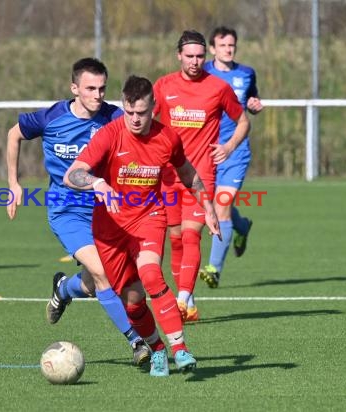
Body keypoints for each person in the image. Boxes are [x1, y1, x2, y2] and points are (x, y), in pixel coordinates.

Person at [63, 75, 221, 376]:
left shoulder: (167, 137)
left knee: (151, 274)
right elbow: (73, 174)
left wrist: (208, 206)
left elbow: (187, 173)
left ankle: (180, 349)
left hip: (148, 217)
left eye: (142, 113)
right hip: (109, 229)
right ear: (123, 106)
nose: (135, 119)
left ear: (153, 109)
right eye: (130, 112)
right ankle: (158, 348)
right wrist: (97, 182)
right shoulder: (109, 135)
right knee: (133, 303)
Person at [6, 57, 150, 366]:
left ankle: (64, 288)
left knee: (101, 277)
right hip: (67, 209)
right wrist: (13, 183)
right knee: (103, 274)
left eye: (102, 88)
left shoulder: (115, 117)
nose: (98, 95)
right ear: (75, 88)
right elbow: (13, 134)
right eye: (90, 89)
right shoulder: (51, 117)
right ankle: (136, 341)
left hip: (108, 211)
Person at [153, 30, 250, 320]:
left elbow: (242, 120)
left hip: (202, 176)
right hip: (168, 176)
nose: (195, 61)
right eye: (190, 56)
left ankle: (181, 301)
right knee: (176, 240)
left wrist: (229, 146)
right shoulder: (164, 86)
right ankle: (190, 302)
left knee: (192, 235)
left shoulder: (218, 87)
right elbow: (142, 121)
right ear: (179, 56)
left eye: (200, 56)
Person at [198, 26, 263, 288]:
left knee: (220, 206)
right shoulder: (203, 75)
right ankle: (242, 227)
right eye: (223, 46)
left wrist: (254, 106)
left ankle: (214, 269)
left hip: (235, 152)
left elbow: (251, 102)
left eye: (231, 46)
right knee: (214, 205)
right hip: (207, 151)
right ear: (212, 49)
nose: (228, 49)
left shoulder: (246, 73)